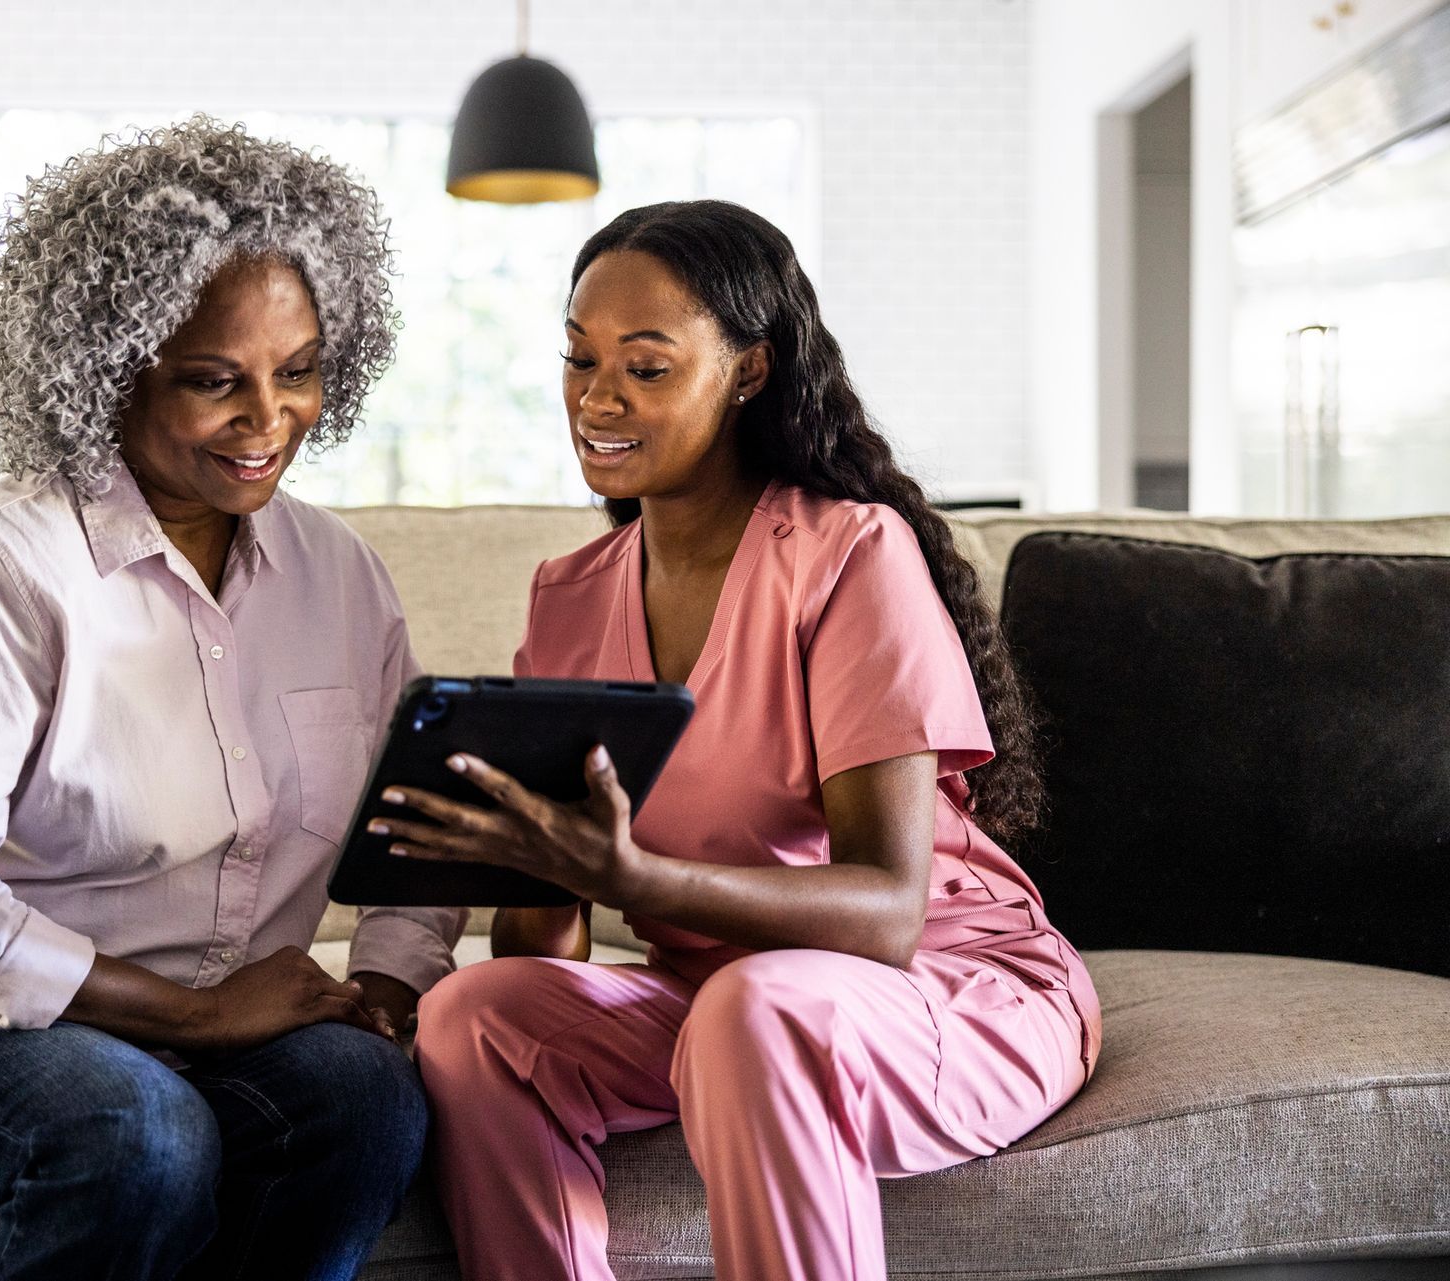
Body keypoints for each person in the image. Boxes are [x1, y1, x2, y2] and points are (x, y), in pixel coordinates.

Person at [0, 118, 465, 1281]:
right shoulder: (4, 562)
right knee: (139, 1133)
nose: (268, 420)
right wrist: (191, 1017)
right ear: (109, 369)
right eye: (215, 381)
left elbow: (409, 832)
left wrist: (392, 983)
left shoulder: (338, 573)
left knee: (367, 1104)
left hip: (229, 1021)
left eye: (297, 371)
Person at [375, 200, 1101, 1281]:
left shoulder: (848, 555)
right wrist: (545, 867)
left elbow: (886, 912)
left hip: (939, 988)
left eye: (647, 368)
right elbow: (543, 957)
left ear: (750, 371)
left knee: (752, 1011)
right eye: (579, 360)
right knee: (475, 1011)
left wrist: (640, 877)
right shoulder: (570, 597)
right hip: (725, 1003)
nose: (597, 397)